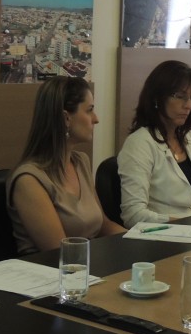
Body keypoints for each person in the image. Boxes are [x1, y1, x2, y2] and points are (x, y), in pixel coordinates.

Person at [7, 76, 124, 253]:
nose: (96, 119)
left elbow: (103, 225)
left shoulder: (81, 162)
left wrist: (139, 242)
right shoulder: (29, 180)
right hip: (55, 267)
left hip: (89, 262)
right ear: (66, 118)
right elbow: (60, 252)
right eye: (89, 110)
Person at [118, 60, 191, 227]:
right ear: (157, 98)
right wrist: (184, 224)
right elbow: (133, 215)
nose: (189, 105)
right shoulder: (139, 143)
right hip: (164, 235)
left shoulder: (188, 138)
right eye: (180, 96)